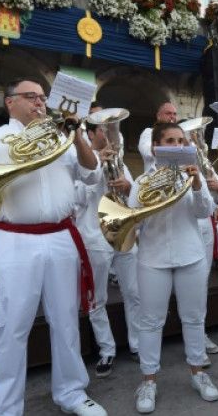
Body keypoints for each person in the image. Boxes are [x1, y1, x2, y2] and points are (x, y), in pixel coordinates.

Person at [0, 78, 106, 416]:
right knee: (12, 326)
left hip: (61, 236)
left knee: (66, 320)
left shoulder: (62, 138)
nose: (39, 103)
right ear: (10, 102)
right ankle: (6, 406)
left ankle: (72, 394)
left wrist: (77, 134)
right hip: (12, 239)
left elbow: (93, 175)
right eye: (31, 97)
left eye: (42, 97)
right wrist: (1, 174)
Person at [131, 123, 218, 414]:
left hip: (190, 255)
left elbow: (204, 212)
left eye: (181, 141)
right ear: (156, 147)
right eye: (170, 140)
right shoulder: (142, 181)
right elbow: (134, 222)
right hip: (152, 259)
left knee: (194, 318)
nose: (178, 145)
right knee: (151, 321)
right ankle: (149, 381)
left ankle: (198, 373)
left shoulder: (194, 177)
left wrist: (196, 183)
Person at [76, 116, 141, 377]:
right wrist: (98, 167)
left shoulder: (122, 161)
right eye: (103, 129)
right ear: (91, 135)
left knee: (134, 293)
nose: (109, 133)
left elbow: (135, 197)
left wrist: (128, 186)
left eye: (111, 128)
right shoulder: (79, 162)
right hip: (94, 236)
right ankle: (107, 350)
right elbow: (77, 198)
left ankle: (137, 344)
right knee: (97, 298)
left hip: (123, 233)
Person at [137, 102, 178, 174]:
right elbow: (146, 152)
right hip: (153, 180)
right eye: (168, 113)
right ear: (159, 116)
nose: (173, 117)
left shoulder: (180, 136)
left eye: (174, 114)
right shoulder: (149, 132)